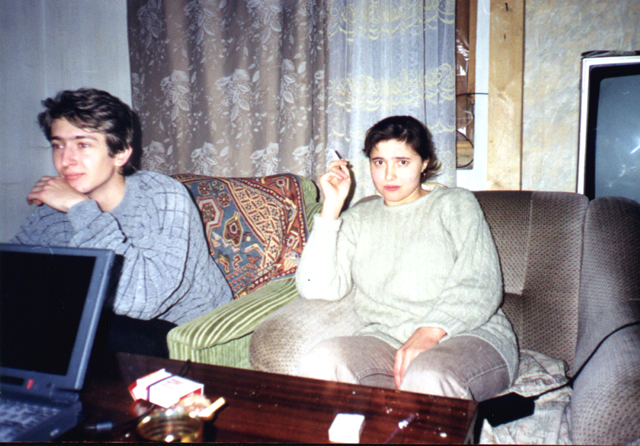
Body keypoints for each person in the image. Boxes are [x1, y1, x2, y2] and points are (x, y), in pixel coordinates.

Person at [294, 116, 518, 401]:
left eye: (402, 162)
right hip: (388, 340)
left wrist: (429, 333)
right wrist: (331, 208)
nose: (389, 175)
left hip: (470, 335)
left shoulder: (455, 204)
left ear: (424, 163)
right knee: (322, 361)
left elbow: (480, 282)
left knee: (427, 375)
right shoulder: (359, 218)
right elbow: (316, 287)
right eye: (379, 162)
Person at [12, 88, 232, 357]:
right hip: (103, 327)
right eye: (58, 145)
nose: (66, 161)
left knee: (87, 332)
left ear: (121, 153)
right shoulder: (53, 210)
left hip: (185, 330)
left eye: (82, 145)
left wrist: (81, 209)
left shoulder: (162, 195)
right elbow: (14, 276)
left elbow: (143, 300)